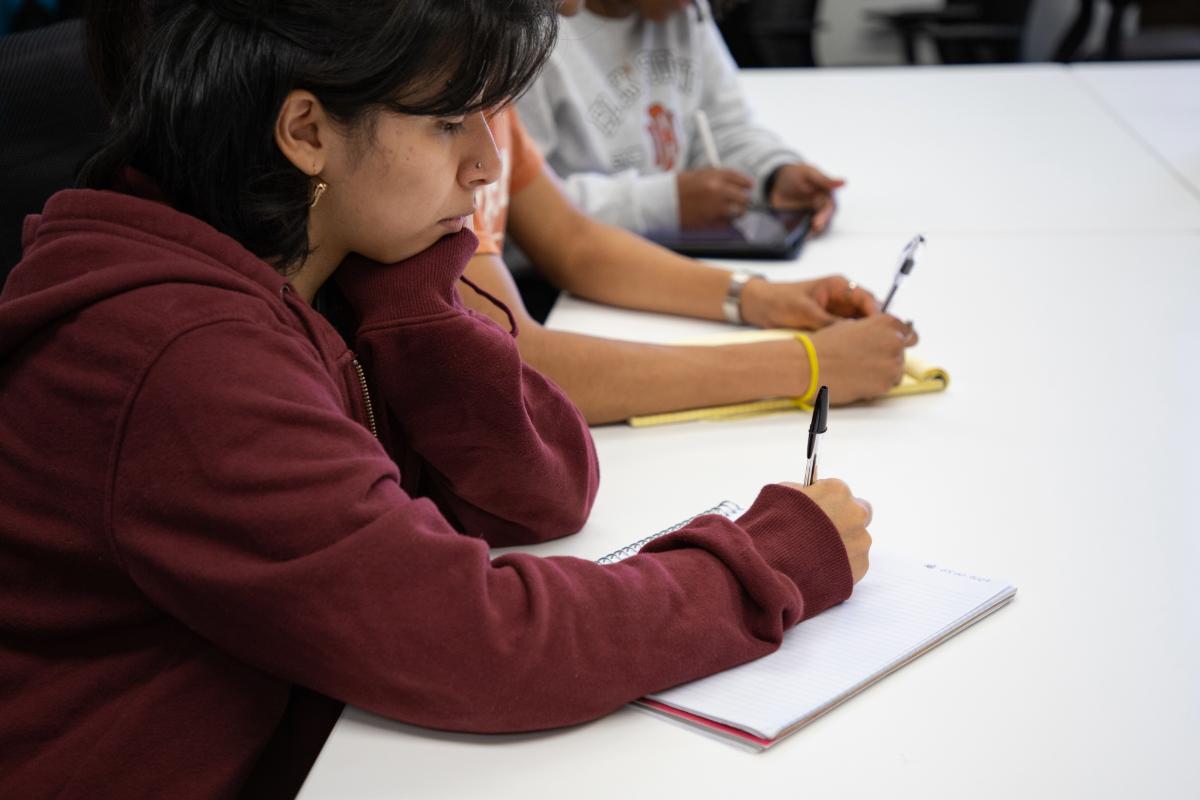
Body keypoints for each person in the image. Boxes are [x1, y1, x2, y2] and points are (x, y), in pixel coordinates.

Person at [0, 3, 872, 799]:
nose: (486, 165)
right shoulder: (183, 359)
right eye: (451, 122)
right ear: (306, 131)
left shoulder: (308, 265)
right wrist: (769, 561)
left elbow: (540, 493)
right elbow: (483, 646)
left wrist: (416, 296)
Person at [462, 106, 917, 423]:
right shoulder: (445, 71)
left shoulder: (490, 76)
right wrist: (807, 365)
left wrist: (764, 298)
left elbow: (574, 241)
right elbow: (514, 367)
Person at [518, 0, 843, 234]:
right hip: (570, 271)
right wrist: (665, 203)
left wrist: (772, 172)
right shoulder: (534, 34)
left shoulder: (688, 11)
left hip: (674, 245)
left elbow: (724, 127)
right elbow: (524, 205)